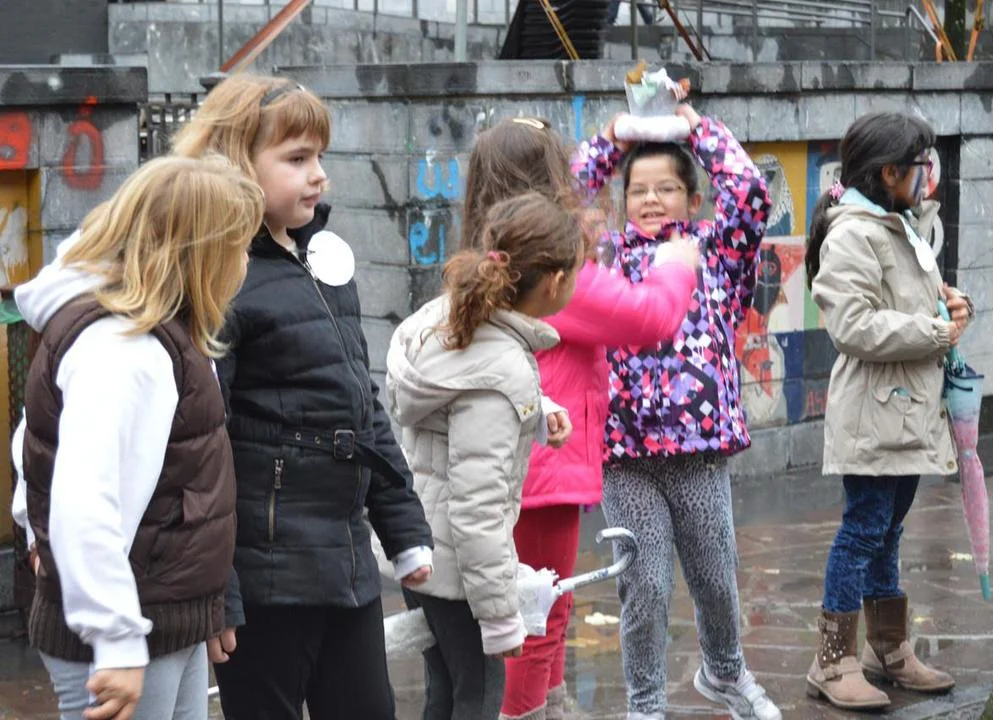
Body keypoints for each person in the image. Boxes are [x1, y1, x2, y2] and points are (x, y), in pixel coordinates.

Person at [171, 74, 434, 720]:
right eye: (295, 159)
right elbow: (199, 450)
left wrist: (402, 527)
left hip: (345, 563)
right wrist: (219, 588)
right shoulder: (219, 277)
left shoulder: (321, 261)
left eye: (320, 156)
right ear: (236, 163)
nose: (319, 176)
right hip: (265, 579)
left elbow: (360, 405)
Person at [457, 116, 699, 720]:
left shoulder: (494, 255)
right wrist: (676, 263)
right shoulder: (549, 272)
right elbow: (647, 317)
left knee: (545, 606)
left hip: (524, 464)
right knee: (537, 615)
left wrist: (615, 137)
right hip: (545, 466)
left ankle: (552, 703)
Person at [11, 155, 264, 720]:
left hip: (158, 619)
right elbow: (84, 497)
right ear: (201, 255)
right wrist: (117, 638)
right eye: (239, 246)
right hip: (128, 635)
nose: (246, 261)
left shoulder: (155, 333)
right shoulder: (126, 350)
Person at [573, 103, 781, 720]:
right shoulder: (601, 256)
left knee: (716, 577)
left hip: (699, 452)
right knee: (645, 585)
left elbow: (750, 194)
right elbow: (555, 205)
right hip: (625, 456)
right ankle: (644, 706)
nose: (651, 200)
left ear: (693, 199)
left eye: (666, 188)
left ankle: (724, 671)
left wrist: (698, 130)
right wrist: (612, 140)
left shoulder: (715, 254)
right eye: (638, 190)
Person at [388, 192, 582, 720]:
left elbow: (463, 395)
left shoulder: (449, 315)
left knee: (445, 689)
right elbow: (478, 509)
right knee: (477, 696)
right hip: (460, 571)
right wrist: (499, 617)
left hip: (422, 548)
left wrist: (535, 410)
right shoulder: (503, 367)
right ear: (554, 282)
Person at [804, 111, 973, 711]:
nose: (928, 174)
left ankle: (887, 650)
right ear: (887, 172)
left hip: (906, 410)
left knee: (888, 530)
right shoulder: (853, 234)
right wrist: (935, 330)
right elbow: (854, 325)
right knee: (862, 532)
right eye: (919, 164)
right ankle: (832, 661)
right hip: (874, 414)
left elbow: (914, 301)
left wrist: (952, 305)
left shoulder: (902, 225)